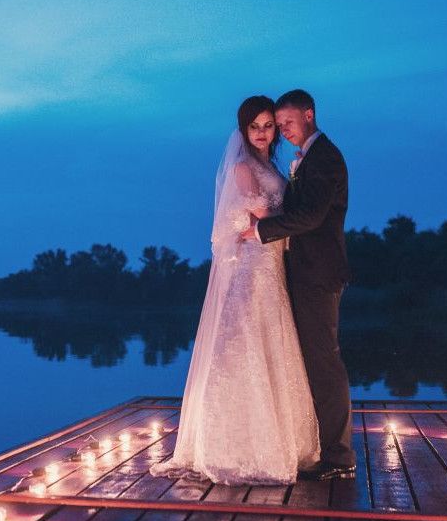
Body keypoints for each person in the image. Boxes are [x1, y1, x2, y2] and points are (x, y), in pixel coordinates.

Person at [149, 96, 320, 485]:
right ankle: (237, 448)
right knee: (246, 343)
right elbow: (265, 213)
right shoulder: (243, 167)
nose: (262, 133)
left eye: (268, 126)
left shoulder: (270, 166)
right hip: (253, 264)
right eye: (254, 126)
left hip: (271, 262)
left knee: (272, 342)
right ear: (243, 130)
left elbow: (272, 218)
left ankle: (282, 441)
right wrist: (301, 221)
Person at [241, 89, 355, 480]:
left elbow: (311, 217)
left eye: (287, 122)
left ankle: (339, 458)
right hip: (303, 272)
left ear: (309, 115)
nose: (283, 130)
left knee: (324, 363)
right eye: (279, 125)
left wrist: (261, 230)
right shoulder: (307, 157)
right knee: (312, 361)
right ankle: (322, 448)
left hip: (319, 274)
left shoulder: (324, 157)